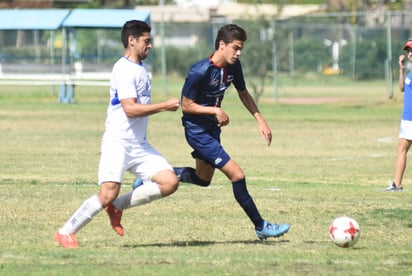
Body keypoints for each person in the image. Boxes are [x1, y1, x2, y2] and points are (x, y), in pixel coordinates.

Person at [54, 20, 180, 248]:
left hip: (139, 144)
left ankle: (117, 207)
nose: (150, 46)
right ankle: (65, 232)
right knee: (107, 193)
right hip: (118, 142)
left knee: (169, 182)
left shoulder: (141, 69)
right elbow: (130, 109)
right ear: (132, 40)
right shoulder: (123, 69)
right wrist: (164, 105)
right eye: (146, 41)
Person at [173, 24, 290, 239]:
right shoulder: (199, 71)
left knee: (202, 178)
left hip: (211, 129)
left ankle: (155, 175)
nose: (238, 53)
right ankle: (261, 226)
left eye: (241, 49)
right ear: (221, 45)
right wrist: (214, 110)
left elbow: (244, 94)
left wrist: (261, 121)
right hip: (197, 131)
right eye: (235, 48)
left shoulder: (234, 67)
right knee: (237, 175)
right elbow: (186, 105)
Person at [386, 39, 412, 191]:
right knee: (401, 148)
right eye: (408, 51)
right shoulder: (410, 72)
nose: (410, 54)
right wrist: (401, 69)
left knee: (401, 148)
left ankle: (397, 184)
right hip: (407, 118)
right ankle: (397, 184)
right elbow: (402, 88)